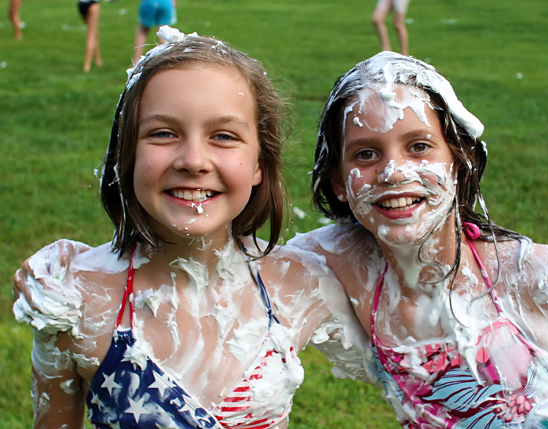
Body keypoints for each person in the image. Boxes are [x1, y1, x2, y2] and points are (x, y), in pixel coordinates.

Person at [12, 27, 375, 428]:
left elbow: (431, 296)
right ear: (126, 154)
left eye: (223, 136)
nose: (193, 160)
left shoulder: (298, 282)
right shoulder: (74, 297)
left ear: (259, 163)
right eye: (163, 133)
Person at [291, 51, 548, 427]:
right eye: (366, 153)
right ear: (339, 181)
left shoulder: (540, 277)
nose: (393, 172)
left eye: (419, 146)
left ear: (460, 159)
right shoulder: (340, 270)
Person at [78, 0, 102, 72]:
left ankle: (98, 60)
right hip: (93, 4)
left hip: (81, 4)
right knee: (91, 33)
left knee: (94, 31)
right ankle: (87, 66)